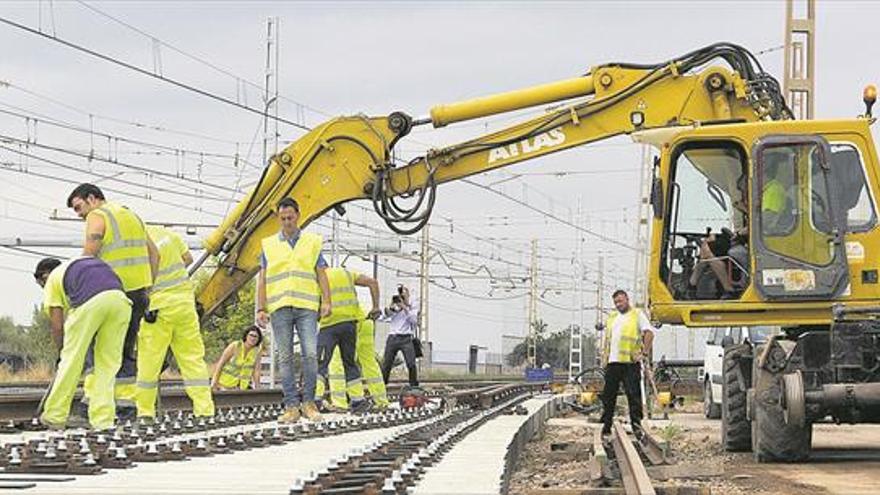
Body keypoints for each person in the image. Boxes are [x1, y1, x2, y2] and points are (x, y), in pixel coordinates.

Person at [67, 183, 159, 418]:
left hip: (108, 293)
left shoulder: (98, 216)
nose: (79, 215)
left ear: (91, 198)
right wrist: (149, 286)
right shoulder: (132, 215)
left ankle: (91, 403)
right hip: (138, 294)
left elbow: (88, 256)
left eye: (79, 208)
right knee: (126, 351)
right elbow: (154, 254)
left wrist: (77, 288)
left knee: (96, 348)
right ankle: (126, 405)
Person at [34, 257, 131, 431]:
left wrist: (62, 352)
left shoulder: (53, 279)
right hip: (120, 301)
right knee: (107, 366)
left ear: (44, 276)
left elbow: (57, 326)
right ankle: (103, 421)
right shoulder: (80, 264)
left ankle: (55, 416)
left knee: (71, 362)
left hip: (91, 302)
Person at [256, 197, 331, 423]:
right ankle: (291, 407)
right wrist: (261, 307)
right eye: (283, 218)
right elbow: (263, 278)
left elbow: (321, 274)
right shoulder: (268, 245)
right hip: (280, 307)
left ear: (297, 215)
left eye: (290, 217)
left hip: (307, 306)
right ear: (279, 218)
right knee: (285, 356)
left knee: (310, 354)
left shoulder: (312, 242)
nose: (287, 222)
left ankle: (309, 403)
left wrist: (326, 301)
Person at [135, 225, 214, 421]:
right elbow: (188, 259)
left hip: (158, 308)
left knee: (149, 362)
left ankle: (145, 412)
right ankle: (204, 410)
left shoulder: (136, 242)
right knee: (193, 359)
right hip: (184, 304)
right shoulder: (169, 234)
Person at [314, 268, 381, 413]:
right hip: (349, 325)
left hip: (329, 326)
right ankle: (358, 401)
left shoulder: (318, 278)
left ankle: (315, 399)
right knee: (350, 363)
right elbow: (373, 282)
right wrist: (375, 307)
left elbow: (315, 306)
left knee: (320, 363)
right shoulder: (346, 273)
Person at [599, 289, 654, 437]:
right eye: (616, 302)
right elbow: (608, 340)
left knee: (633, 395)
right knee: (608, 395)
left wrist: (644, 353)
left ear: (627, 299)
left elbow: (649, 333)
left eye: (620, 301)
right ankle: (606, 425)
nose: (618, 304)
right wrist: (604, 358)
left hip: (630, 363)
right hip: (613, 362)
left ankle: (636, 426)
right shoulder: (612, 317)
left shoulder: (637, 314)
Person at [381, 286, 419, 387]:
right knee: (386, 364)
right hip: (393, 337)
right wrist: (392, 308)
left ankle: (413, 386)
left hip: (406, 338)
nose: (401, 298)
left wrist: (405, 307)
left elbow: (414, 321)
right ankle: (382, 386)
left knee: (411, 364)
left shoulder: (412, 306)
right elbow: (384, 317)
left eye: (404, 296)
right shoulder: (395, 306)